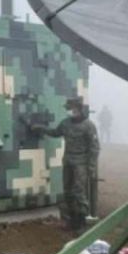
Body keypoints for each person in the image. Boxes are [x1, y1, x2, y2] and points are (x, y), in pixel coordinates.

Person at [36, 97, 100, 232]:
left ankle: (81, 223)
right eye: (68, 109)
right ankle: (69, 221)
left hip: (81, 164)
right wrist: (41, 129)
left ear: (78, 109)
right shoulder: (66, 123)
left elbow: (94, 148)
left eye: (70, 109)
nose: (68, 111)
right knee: (67, 191)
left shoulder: (89, 126)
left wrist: (91, 167)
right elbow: (56, 132)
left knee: (79, 193)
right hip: (68, 161)